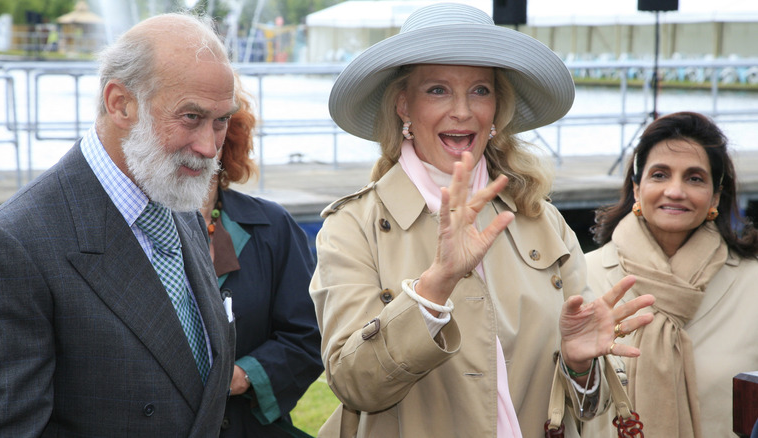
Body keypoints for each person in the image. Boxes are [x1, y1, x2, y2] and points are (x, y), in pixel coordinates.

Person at [309, 3, 656, 437]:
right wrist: (436, 285)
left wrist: (581, 366)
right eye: (437, 90)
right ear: (403, 105)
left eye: (480, 91)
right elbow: (353, 384)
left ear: (497, 109)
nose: (462, 111)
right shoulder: (351, 226)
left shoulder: (541, 219)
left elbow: (594, 408)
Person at [0, 13, 238, 436]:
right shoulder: (15, 245)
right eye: (191, 117)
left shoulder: (175, 197)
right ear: (120, 103)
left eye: (221, 120)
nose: (209, 147)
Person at [584, 111, 758, 437]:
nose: (675, 191)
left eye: (694, 178)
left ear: (716, 196)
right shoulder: (581, 278)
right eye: (660, 175)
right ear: (637, 188)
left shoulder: (753, 285)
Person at [200, 74, 324, 437]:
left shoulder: (274, 226)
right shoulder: (134, 232)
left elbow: (309, 335)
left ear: (230, 138)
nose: (201, 144)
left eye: (218, 124)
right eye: (189, 120)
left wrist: (240, 377)